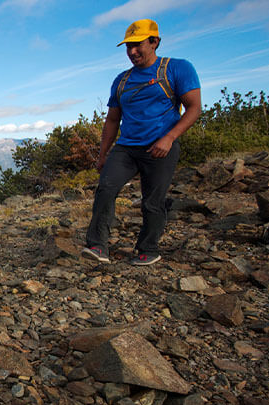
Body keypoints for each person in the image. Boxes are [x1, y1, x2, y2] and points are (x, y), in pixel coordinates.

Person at [82, 19, 201, 266]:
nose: (132, 52)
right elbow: (112, 120)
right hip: (126, 147)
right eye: (128, 47)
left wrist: (169, 138)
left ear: (154, 42)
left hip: (160, 146)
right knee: (106, 189)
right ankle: (97, 246)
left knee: (152, 200)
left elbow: (194, 108)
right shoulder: (121, 80)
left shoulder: (177, 69)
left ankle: (148, 248)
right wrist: (103, 155)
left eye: (138, 45)